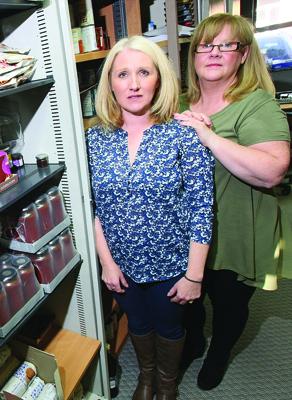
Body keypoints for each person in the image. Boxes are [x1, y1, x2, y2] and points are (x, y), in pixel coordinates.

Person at [87, 36, 214, 400]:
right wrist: (106, 263)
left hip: (173, 263)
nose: (134, 83)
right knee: (139, 325)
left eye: (144, 72)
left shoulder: (185, 133)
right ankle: (146, 378)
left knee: (170, 327)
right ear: (109, 82)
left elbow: (201, 209)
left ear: (159, 78)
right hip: (122, 264)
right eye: (122, 74)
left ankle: (167, 383)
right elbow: (95, 207)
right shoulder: (94, 139)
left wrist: (194, 275)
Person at [174, 13, 292, 391]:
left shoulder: (255, 104)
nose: (214, 52)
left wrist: (208, 137)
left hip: (238, 229)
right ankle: (193, 342)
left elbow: (272, 170)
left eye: (227, 45)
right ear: (193, 55)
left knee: (228, 304)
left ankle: (219, 351)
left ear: (243, 54)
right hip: (189, 231)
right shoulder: (177, 102)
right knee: (188, 299)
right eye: (205, 45)